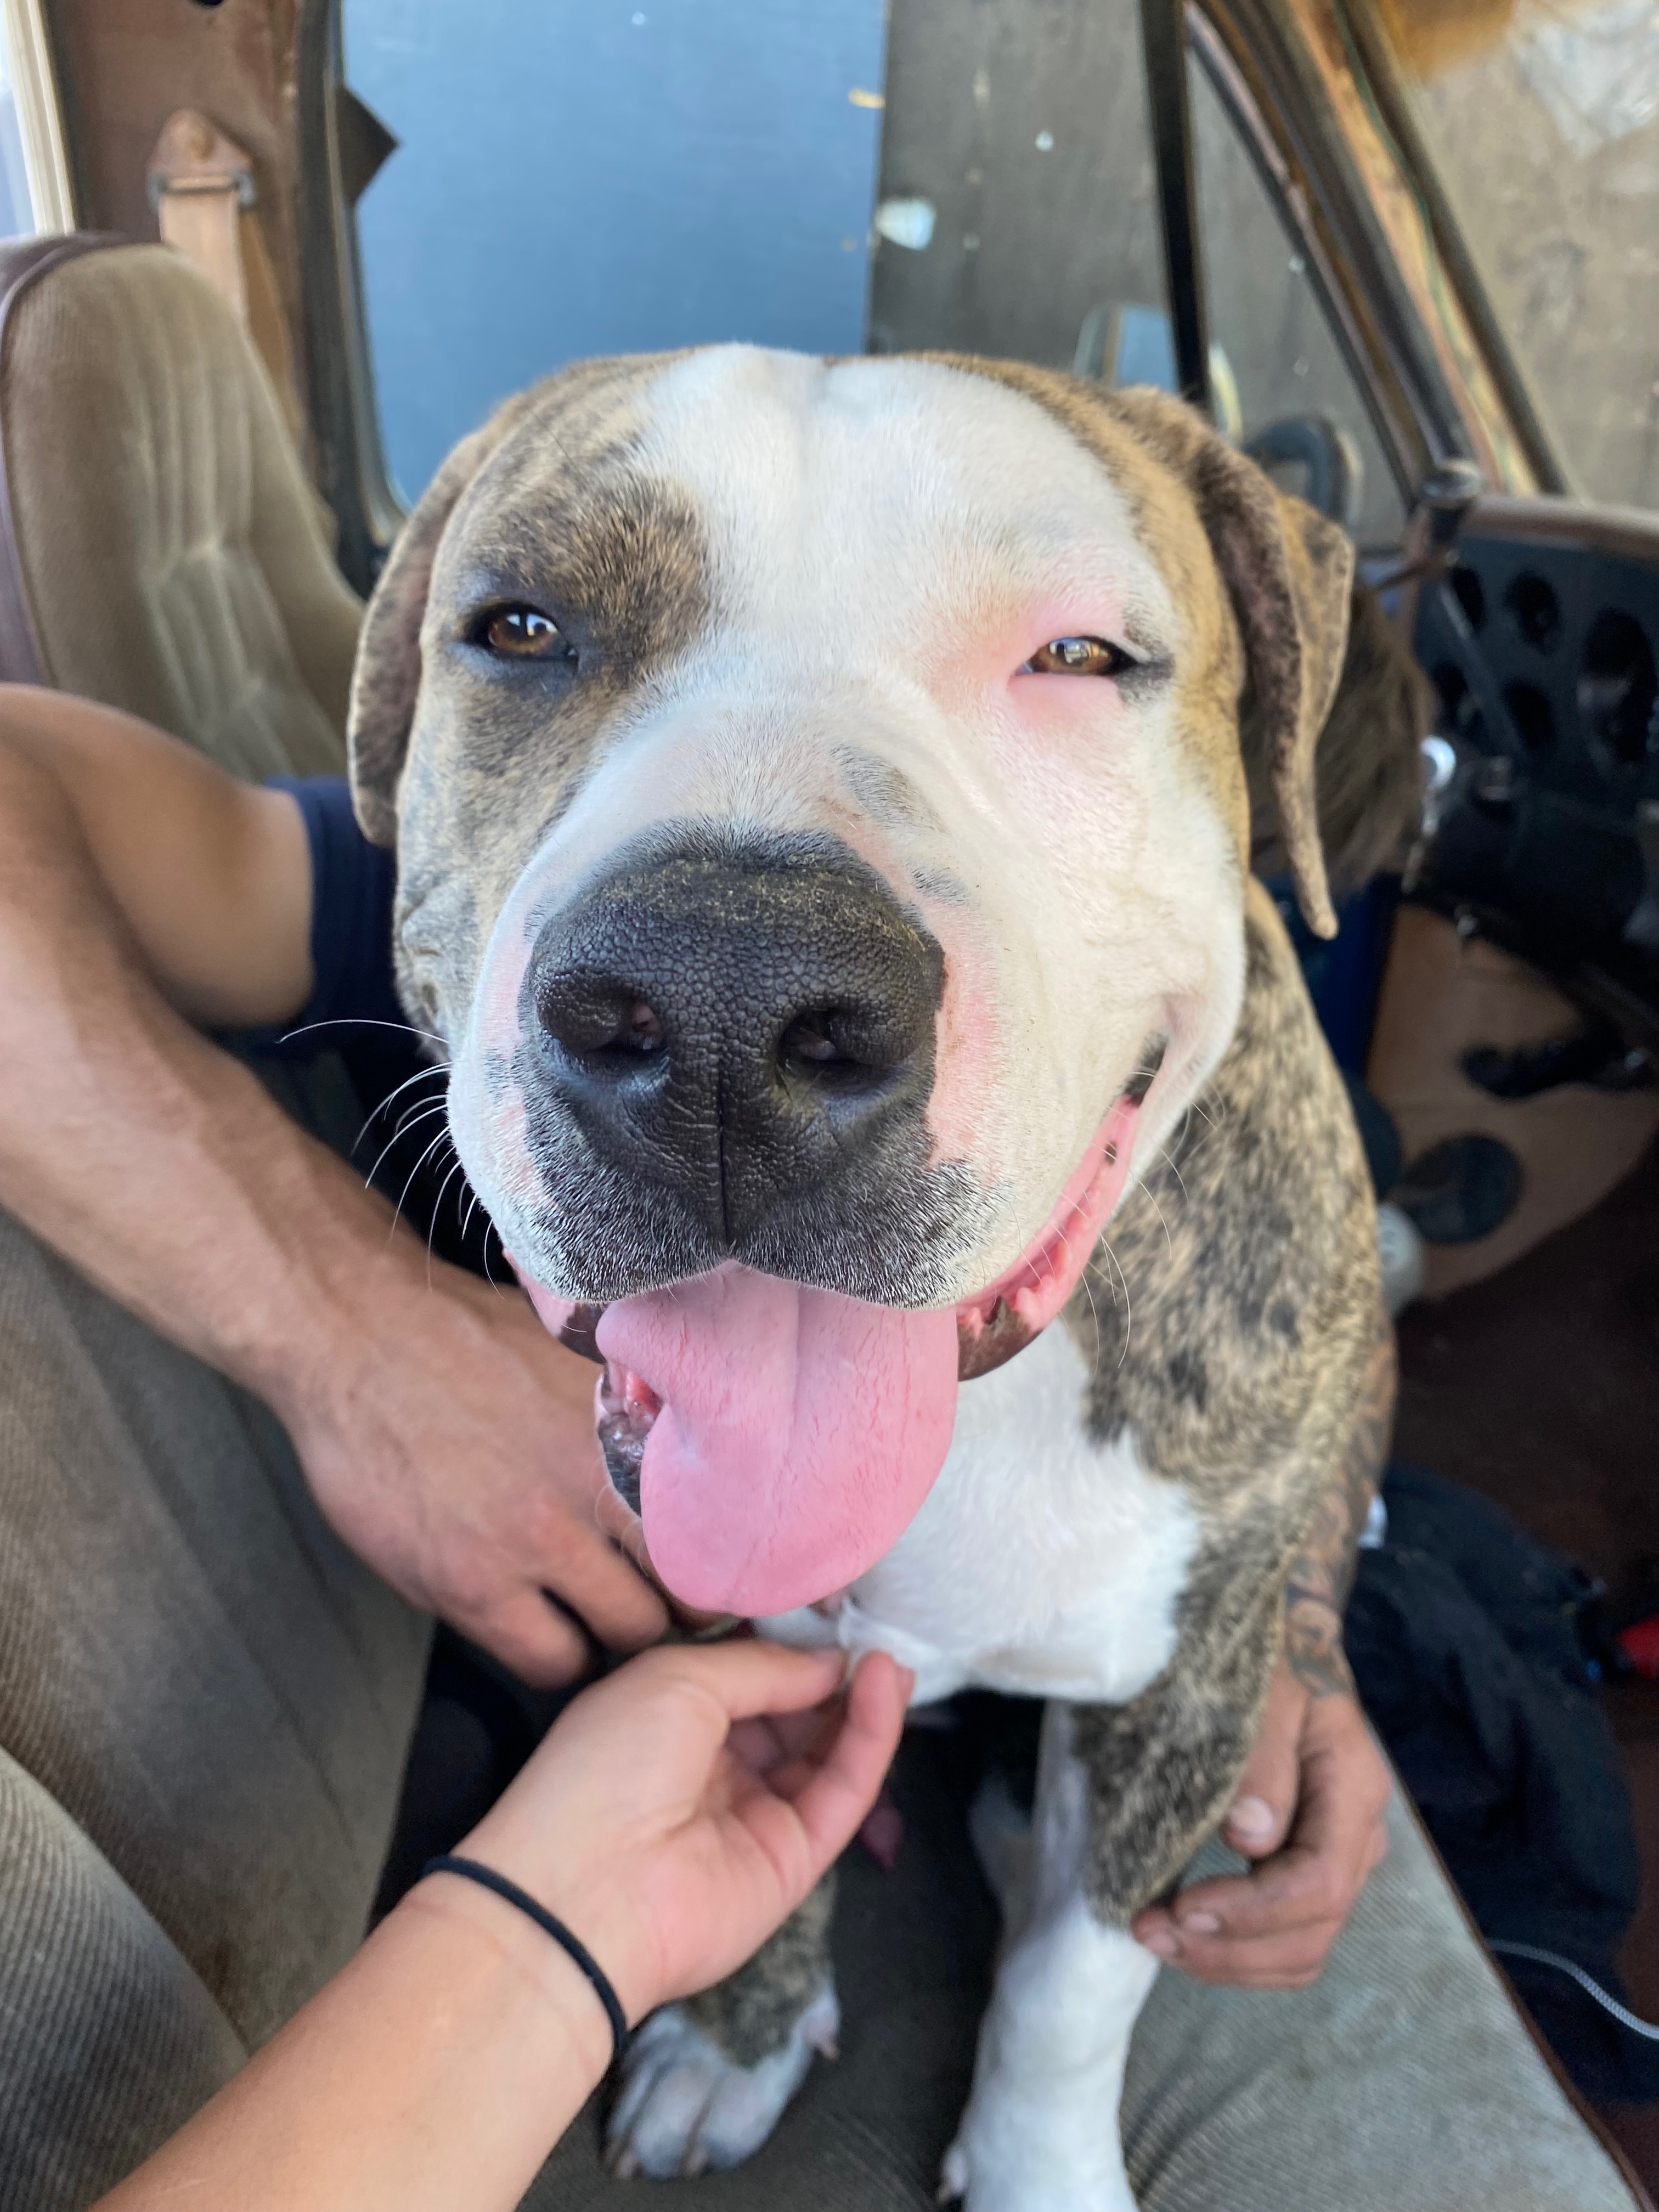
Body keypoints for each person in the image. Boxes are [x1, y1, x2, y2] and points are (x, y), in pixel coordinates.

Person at [0, 683, 1637, 2210]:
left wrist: (1288, 1612)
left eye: (1061, 663)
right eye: (546, 637)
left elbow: (1310, 1297)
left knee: (1349, 1213)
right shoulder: (467, 858)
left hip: (1076, 1557)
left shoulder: (1178, 1001)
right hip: (640, 1696)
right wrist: (350, 1333)